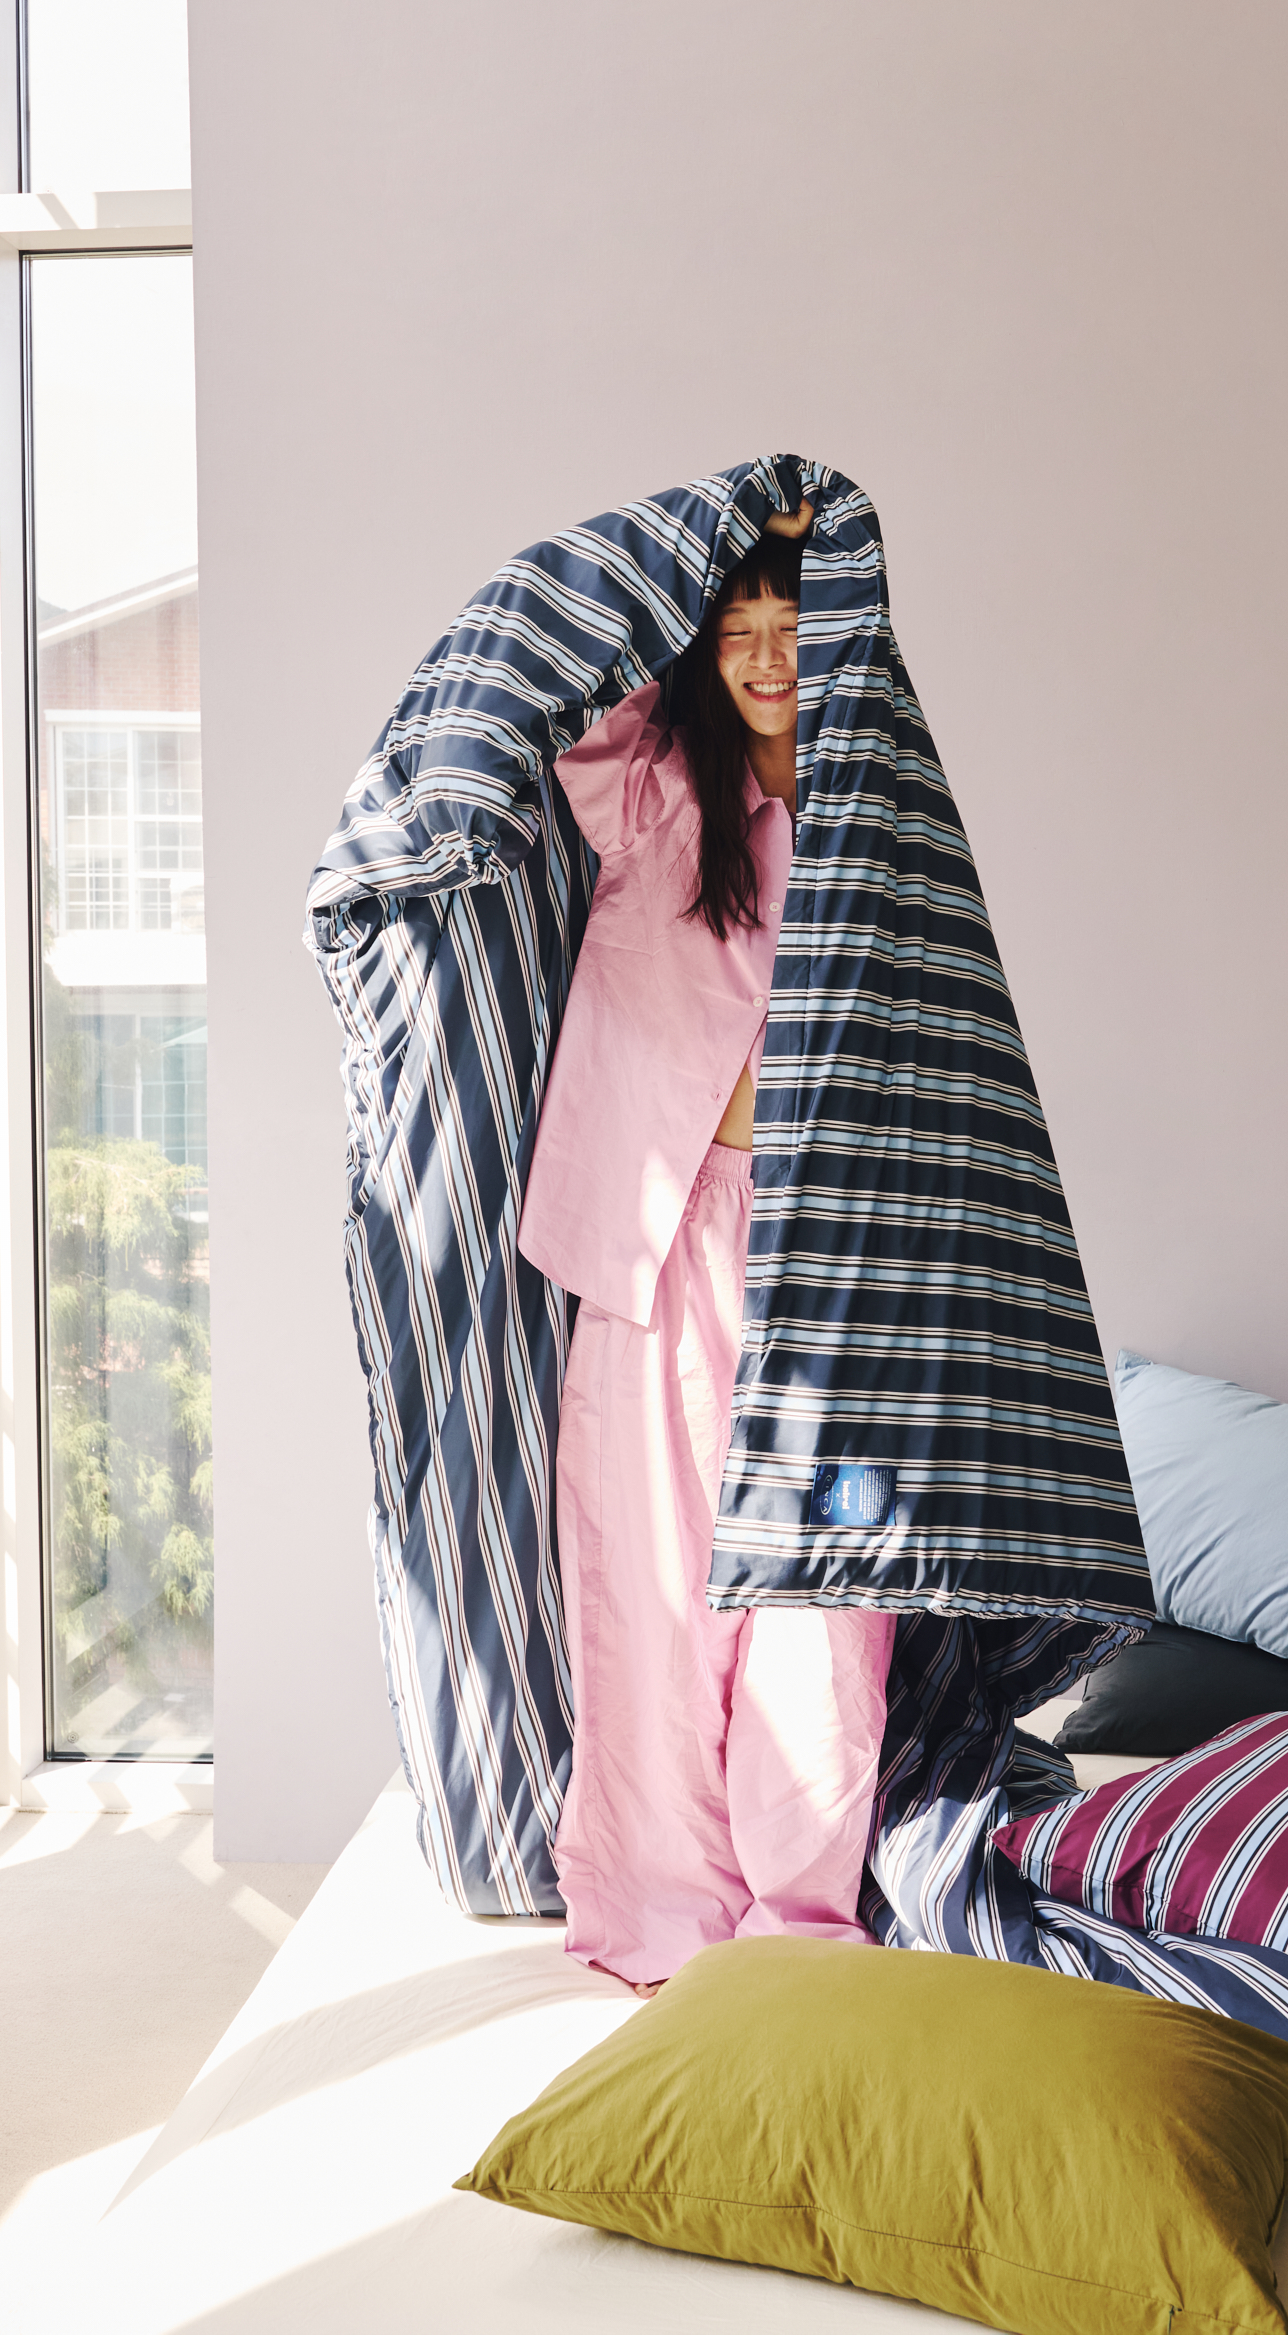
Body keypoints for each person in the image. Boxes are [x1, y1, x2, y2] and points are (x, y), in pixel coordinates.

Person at [518, 500, 896, 1996]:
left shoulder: (881, 821)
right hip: (661, 1236)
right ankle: (667, 1911)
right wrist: (737, 513)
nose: (764, 657)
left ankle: (799, 1921)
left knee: (825, 1605)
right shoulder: (655, 789)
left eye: (790, 626)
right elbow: (558, 670)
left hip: (831, 1254)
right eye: (736, 630)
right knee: (654, 1584)